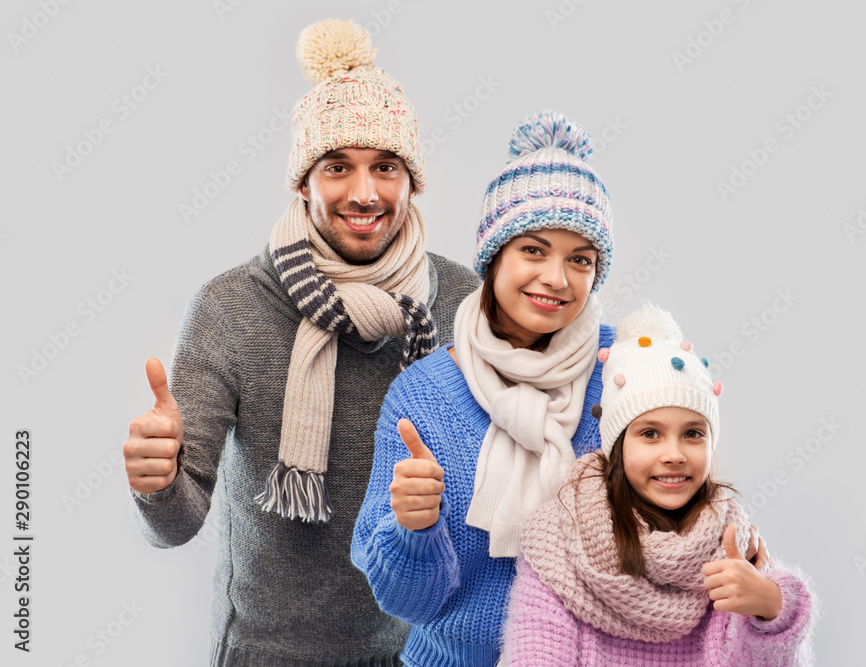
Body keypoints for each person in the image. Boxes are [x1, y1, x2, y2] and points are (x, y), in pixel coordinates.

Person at [122, 18, 479, 666]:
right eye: (338, 165)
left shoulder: (462, 302)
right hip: (270, 652)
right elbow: (176, 523)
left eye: (386, 166)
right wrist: (157, 478)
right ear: (303, 180)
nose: (365, 192)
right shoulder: (230, 308)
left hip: (424, 648)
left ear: (412, 180)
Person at [351, 110, 618, 666]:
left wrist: (683, 415)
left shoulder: (622, 369)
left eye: (581, 259)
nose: (557, 279)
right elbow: (404, 603)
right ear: (494, 257)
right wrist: (413, 528)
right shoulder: (423, 395)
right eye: (534, 249)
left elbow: (677, 530)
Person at [502, 303, 817, 666]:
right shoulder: (559, 539)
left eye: (693, 434)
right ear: (618, 447)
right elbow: (536, 655)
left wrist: (772, 609)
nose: (674, 454)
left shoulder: (732, 544)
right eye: (650, 434)